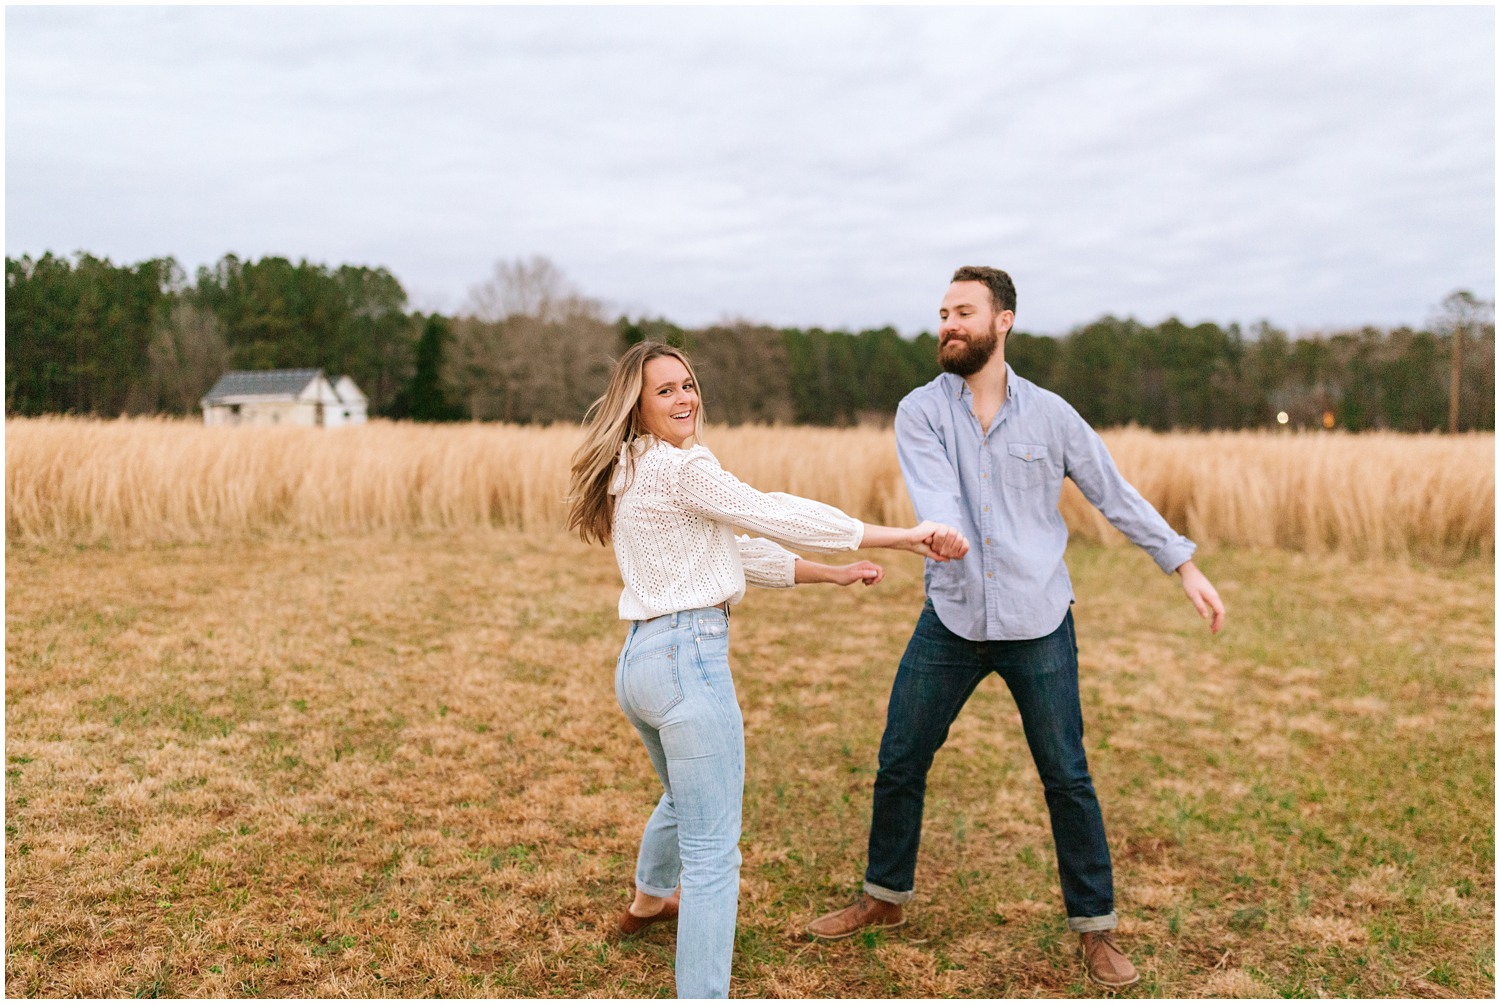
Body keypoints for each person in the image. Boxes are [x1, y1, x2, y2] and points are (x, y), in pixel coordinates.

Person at [804, 267, 1226, 989]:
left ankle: (1096, 929)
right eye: (943, 313)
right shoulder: (920, 411)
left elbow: (1113, 494)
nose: (949, 324)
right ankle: (884, 897)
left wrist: (1182, 565)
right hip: (952, 616)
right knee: (900, 758)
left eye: (964, 312)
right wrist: (944, 533)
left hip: (1039, 621)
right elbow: (935, 490)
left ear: (1003, 322)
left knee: (1067, 775)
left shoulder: (1053, 416)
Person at [565, 340, 969, 999]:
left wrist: (830, 574)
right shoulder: (682, 467)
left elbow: (730, 553)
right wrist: (900, 535)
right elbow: (770, 510)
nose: (685, 397)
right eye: (665, 389)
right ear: (635, 405)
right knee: (716, 859)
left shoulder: (631, 468)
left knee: (683, 794)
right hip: (689, 664)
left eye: (688, 383)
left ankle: (648, 900)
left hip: (640, 666)